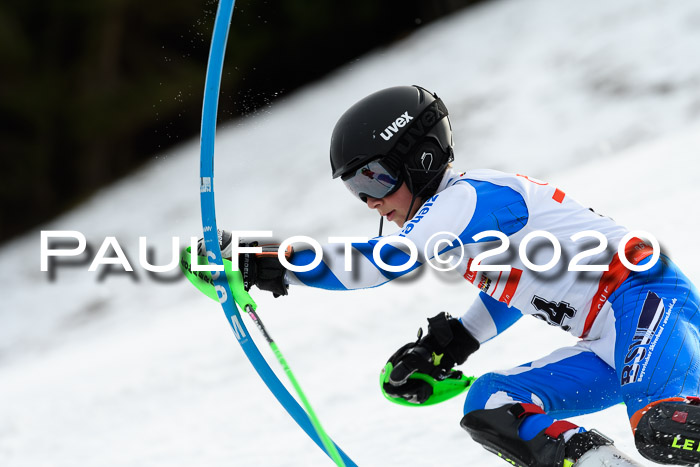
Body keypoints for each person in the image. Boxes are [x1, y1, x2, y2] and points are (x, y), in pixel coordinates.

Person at [206, 86, 700, 466]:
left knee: (662, 427)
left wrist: (263, 258)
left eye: (374, 178)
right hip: (607, 341)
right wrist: (457, 340)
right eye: (356, 189)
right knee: (492, 406)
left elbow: (377, 264)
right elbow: (520, 289)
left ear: (419, 158)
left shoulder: (466, 200)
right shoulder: (455, 226)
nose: (371, 200)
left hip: (648, 302)